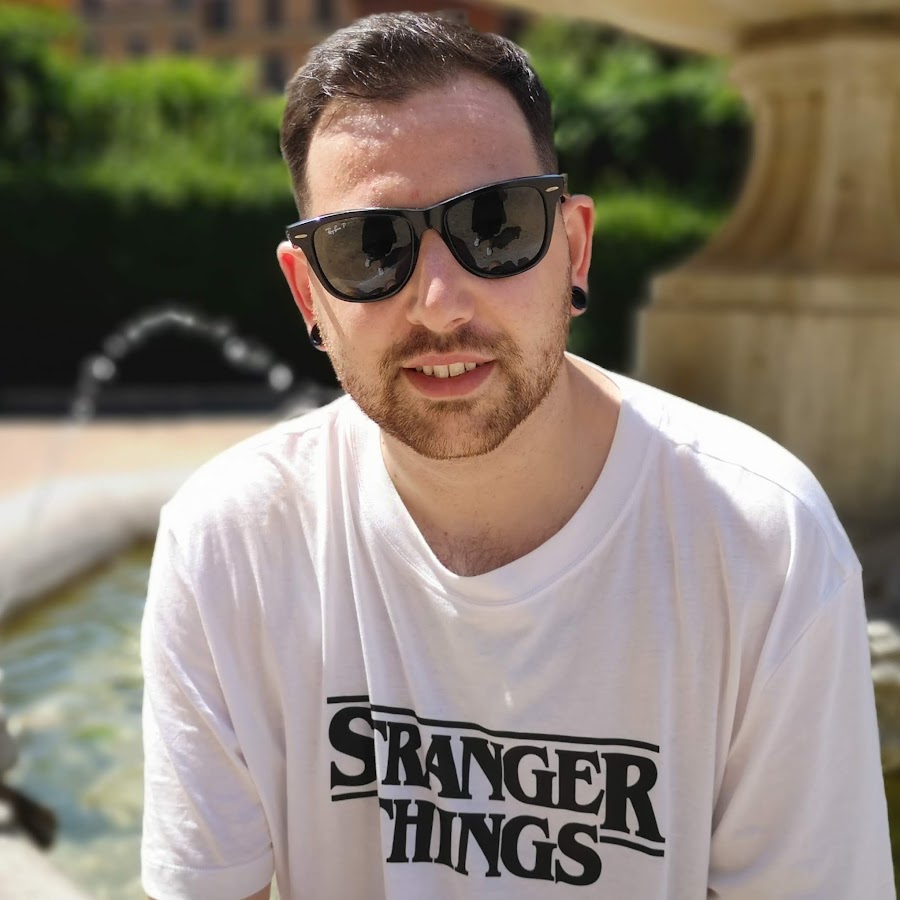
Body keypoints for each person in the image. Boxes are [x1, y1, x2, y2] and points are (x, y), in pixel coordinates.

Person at [140, 12, 894, 900]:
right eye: (368, 248)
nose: (440, 303)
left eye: (494, 226)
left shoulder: (764, 542)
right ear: (309, 294)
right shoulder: (228, 541)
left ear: (575, 248)